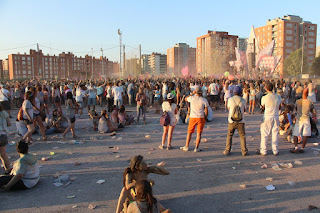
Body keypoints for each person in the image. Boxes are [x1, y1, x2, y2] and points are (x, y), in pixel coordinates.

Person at [180, 86, 209, 152]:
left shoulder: (192, 98)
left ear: (195, 91)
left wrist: (192, 94)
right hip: (201, 117)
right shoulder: (204, 100)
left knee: (189, 132)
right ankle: (196, 148)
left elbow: (185, 98)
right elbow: (206, 110)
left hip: (193, 117)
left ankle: (186, 146)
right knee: (199, 133)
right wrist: (205, 117)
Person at [256, 82, 281, 156]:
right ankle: (275, 150)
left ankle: (263, 150)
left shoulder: (264, 97)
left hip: (267, 116)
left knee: (264, 134)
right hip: (276, 116)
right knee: (275, 133)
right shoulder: (278, 97)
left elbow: (262, 106)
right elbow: (280, 106)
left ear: (266, 88)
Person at [223, 86, 248, 156]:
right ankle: (244, 151)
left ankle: (227, 150)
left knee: (229, 135)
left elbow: (228, 108)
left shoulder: (230, 100)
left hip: (231, 121)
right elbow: (244, 110)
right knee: (242, 136)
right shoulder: (243, 100)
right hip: (241, 121)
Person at [290, 89, 313, 153]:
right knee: (305, 134)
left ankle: (296, 147)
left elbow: (296, 109)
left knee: (296, 134)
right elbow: (311, 110)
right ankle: (302, 148)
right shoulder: (310, 102)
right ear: (307, 94)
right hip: (306, 119)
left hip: (299, 119)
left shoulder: (298, 101)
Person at [0, 103, 11, 174]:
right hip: (3, 135)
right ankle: (8, 169)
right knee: (3, 154)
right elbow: (9, 124)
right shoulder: (4, 113)